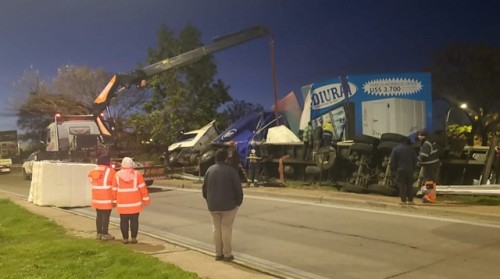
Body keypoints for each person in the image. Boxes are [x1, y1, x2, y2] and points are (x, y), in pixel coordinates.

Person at [202, 148, 243, 262]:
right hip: (229, 205)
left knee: (216, 228)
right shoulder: (231, 171)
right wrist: (238, 202)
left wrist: (209, 200)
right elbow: (238, 189)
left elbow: (204, 189)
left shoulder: (209, 170)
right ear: (226, 158)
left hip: (213, 205)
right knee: (226, 229)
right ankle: (227, 254)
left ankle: (218, 253)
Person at [112, 157, 150, 244]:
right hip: (135, 204)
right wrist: (146, 200)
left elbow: (113, 190)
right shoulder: (137, 174)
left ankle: (125, 239)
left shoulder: (117, 175)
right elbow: (142, 188)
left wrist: (114, 202)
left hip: (122, 204)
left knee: (123, 221)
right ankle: (133, 238)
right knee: (134, 221)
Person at [87, 155, 116, 240]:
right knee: (106, 216)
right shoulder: (111, 171)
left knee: (99, 215)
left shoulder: (93, 170)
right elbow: (114, 184)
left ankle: (98, 233)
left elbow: (91, 181)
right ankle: (105, 234)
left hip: (96, 197)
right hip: (106, 197)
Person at [390, 137, 417, 205]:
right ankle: (410, 200)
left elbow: (393, 161)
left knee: (401, 184)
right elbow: (415, 160)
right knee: (409, 185)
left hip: (400, 169)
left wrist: (392, 171)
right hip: (410, 170)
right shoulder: (411, 149)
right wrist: (414, 169)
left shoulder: (396, 149)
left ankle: (403, 200)